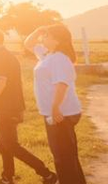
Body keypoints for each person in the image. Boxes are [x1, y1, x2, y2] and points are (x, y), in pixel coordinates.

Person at [0, 27, 57, 184]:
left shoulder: (2, 58)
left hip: (8, 108)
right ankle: (7, 177)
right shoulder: (3, 56)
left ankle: (47, 174)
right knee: (3, 144)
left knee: (11, 145)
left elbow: (0, 83)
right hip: (9, 107)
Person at [25, 24, 86, 184]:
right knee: (65, 155)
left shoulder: (59, 58)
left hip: (61, 113)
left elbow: (62, 84)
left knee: (63, 156)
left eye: (47, 36)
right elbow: (28, 44)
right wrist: (38, 30)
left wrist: (55, 108)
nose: (42, 38)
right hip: (56, 112)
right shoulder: (48, 55)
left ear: (57, 40)